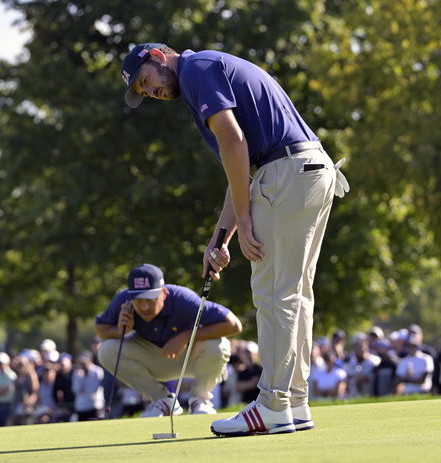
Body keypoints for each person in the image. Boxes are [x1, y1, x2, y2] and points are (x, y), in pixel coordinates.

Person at [120, 43, 349, 435]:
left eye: (147, 82)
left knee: (274, 295)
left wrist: (245, 219)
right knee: (294, 294)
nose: (153, 93)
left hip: (285, 173)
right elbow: (239, 168)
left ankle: (274, 403)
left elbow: (233, 141)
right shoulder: (207, 69)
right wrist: (220, 239)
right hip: (308, 170)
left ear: (158, 56)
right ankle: (294, 402)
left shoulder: (195, 70)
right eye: (146, 93)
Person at [96, 263, 241, 416]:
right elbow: (101, 329)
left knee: (218, 344)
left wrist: (186, 336)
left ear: (164, 293)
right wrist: (121, 330)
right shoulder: (123, 301)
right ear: (130, 297)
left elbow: (233, 325)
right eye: (138, 300)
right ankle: (163, 401)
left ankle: (200, 400)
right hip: (152, 362)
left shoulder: (183, 298)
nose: (144, 307)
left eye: (150, 299)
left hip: (190, 359)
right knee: (106, 350)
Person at [72, 351, 105, 421]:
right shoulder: (77, 373)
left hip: (95, 406)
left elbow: (94, 389)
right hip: (81, 407)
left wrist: (84, 389)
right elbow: (75, 389)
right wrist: (80, 377)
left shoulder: (97, 371)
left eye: (84, 362)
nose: (82, 364)